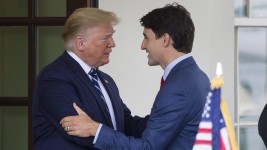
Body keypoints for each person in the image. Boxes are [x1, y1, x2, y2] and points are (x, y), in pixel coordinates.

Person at [60, 2, 210, 150]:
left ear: (165, 39)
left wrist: (95, 129)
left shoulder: (177, 87)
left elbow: (147, 147)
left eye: (146, 37)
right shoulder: (199, 77)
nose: (142, 45)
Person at [32, 7, 148, 150]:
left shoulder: (106, 80)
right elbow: (78, 132)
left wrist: (166, 118)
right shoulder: (54, 78)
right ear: (81, 43)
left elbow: (126, 124)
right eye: (106, 37)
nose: (112, 43)